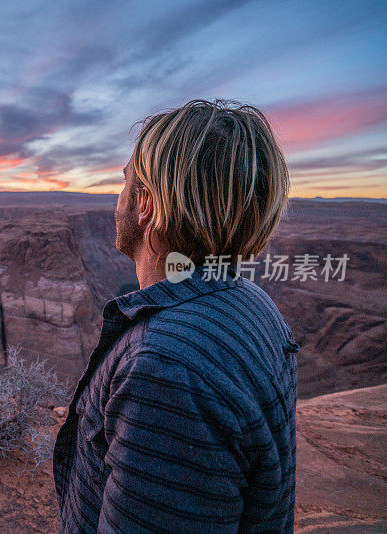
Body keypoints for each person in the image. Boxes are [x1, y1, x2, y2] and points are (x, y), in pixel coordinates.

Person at [53, 99, 300, 533]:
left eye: (127, 181)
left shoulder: (164, 368)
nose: (120, 194)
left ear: (145, 203)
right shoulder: (253, 302)